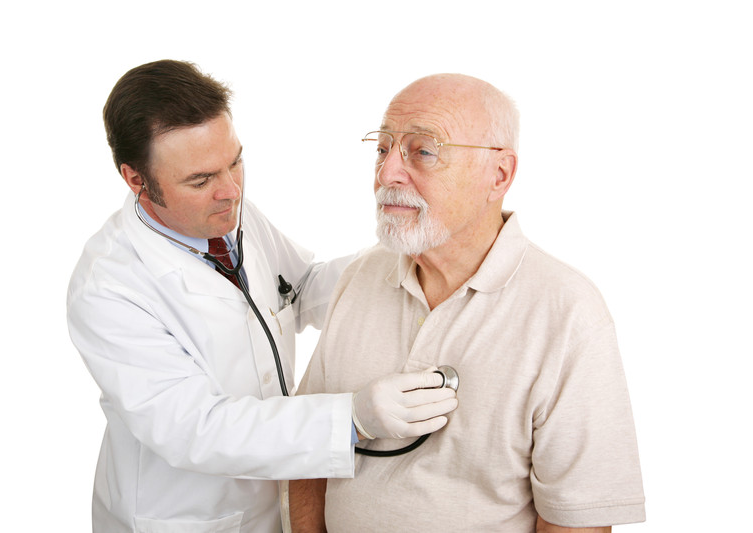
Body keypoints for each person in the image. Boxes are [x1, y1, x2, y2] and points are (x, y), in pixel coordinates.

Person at [66, 60, 458, 533]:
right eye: (201, 179)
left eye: (235, 161)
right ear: (136, 180)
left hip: (273, 498)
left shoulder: (224, 210)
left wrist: (394, 254)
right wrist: (351, 419)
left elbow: (298, 290)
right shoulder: (109, 288)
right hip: (185, 517)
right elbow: (195, 429)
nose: (230, 191)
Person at [289, 74, 645, 532]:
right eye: (383, 149)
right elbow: (306, 448)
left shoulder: (567, 311)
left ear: (499, 175)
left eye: (423, 151)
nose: (386, 173)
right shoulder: (360, 277)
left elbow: (577, 521)